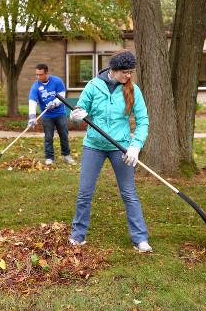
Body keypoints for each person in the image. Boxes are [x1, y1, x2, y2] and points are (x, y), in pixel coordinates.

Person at [68, 50, 153, 253]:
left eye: (131, 71)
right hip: (94, 146)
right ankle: (78, 236)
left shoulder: (134, 90)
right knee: (84, 193)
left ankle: (140, 239)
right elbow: (78, 110)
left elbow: (143, 121)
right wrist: (76, 115)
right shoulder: (93, 86)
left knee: (129, 193)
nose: (129, 76)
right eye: (125, 72)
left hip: (120, 147)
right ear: (113, 71)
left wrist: (136, 146)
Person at [28, 63, 75, 165]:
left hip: (60, 114)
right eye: (37, 75)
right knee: (48, 137)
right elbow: (32, 101)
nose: (38, 77)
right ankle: (49, 157)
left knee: (64, 135)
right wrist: (32, 117)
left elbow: (62, 96)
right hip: (47, 116)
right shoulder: (36, 86)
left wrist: (54, 103)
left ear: (46, 73)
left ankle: (66, 155)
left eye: (40, 74)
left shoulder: (57, 81)